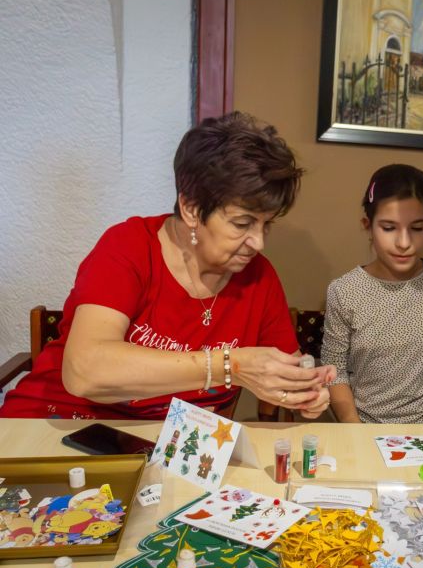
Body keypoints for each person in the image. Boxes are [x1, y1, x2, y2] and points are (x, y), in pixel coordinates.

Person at [0, 112, 334, 420]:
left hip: (165, 453)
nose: (258, 243)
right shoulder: (128, 247)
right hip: (57, 425)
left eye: (266, 225)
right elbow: (85, 372)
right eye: (243, 223)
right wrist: (229, 364)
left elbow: (285, 371)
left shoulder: (258, 277)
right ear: (190, 207)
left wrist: (302, 390)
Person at [321, 164, 423, 423]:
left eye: (417, 228)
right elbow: (334, 369)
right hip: (366, 424)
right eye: (388, 228)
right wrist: (354, 429)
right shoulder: (344, 291)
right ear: (368, 226)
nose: (404, 242)